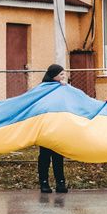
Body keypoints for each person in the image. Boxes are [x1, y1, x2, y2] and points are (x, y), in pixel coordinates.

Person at [37, 63, 69, 193]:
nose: (64, 76)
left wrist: (64, 88)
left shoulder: (64, 88)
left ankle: (60, 182)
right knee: (44, 156)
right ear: (54, 75)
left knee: (58, 156)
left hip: (58, 128)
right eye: (61, 74)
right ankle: (44, 183)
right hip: (45, 128)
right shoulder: (42, 89)